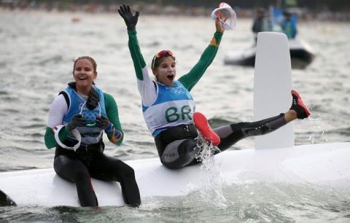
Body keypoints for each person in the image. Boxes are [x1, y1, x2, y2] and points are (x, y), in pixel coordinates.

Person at [118, 4, 310, 170]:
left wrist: (218, 34)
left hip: (200, 146)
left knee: (242, 128)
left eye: (173, 65)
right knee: (188, 147)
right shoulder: (150, 90)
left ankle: (294, 112)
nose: (170, 69)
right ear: (155, 72)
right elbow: (137, 60)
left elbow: (204, 62)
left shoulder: (183, 85)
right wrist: (131, 31)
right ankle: (204, 139)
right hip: (173, 152)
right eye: (164, 67)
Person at [44, 56, 141, 208]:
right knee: (81, 174)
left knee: (127, 171)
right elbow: (48, 141)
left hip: (94, 157)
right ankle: (93, 216)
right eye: (78, 69)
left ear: (95, 75)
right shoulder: (63, 100)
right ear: (73, 73)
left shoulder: (107, 100)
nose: (82, 72)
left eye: (87, 69)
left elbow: (119, 140)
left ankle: (137, 213)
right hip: (66, 158)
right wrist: (68, 128)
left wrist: (109, 127)